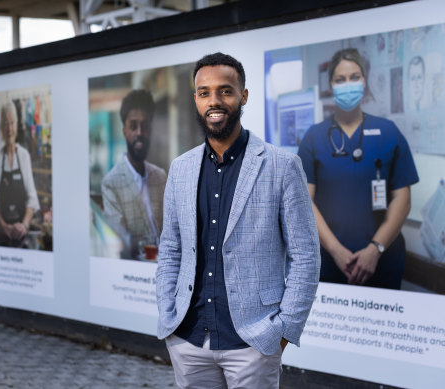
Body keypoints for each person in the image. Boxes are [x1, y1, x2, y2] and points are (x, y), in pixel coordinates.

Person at [156, 52, 320, 388]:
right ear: (196, 100)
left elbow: (306, 256)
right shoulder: (181, 169)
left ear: (243, 96)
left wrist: (284, 331)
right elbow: (171, 248)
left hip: (253, 342)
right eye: (204, 92)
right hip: (189, 340)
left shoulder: (281, 167)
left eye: (225, 91)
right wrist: (167, 314)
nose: (214, 101)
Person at [298, 48, 419, 289]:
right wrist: (336, 251)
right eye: (340, 80)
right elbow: (304, 201)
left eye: (354, 77)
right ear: (331, 86)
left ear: (364, 81)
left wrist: (376, 249)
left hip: (383, 262)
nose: (348, 84)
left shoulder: (388, 132)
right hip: (331, 265)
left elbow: (402, 200)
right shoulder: (314, 137)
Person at [101, 89, 167, 259]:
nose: (139, 132)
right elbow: (121, 245)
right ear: (124, 132)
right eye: (133, 126)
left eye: (144, 126)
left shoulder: (160, 177)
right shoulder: (111, 183)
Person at [0, 101, 40, 246]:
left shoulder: (24, 156)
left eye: (12, 123)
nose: (9, 128)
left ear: (17, 126)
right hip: (2, 232)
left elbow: (32, 197)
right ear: (1, 128)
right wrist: (4, 226)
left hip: (22, 233)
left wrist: (24, 225)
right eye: (5, 124)